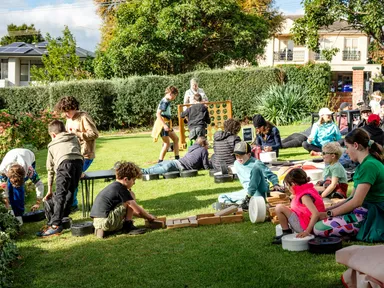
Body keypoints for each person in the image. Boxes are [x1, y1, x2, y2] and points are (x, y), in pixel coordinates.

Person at [314, 128, 384, 242]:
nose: (346, 151)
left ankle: (354, 231)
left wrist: (329, 214)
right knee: (320, 223)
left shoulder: (369, 166)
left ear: (355, 145)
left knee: (319, 228)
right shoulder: (366, 163)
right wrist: (328, 209)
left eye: (347, 147)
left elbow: (356, 202)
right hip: (367, 210)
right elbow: (351, 198)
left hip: (375, 215)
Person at [38, 120, 83, 237]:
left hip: (64, 164)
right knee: (70, 191)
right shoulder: (74, 138)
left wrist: (49, 190)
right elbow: (78, 151)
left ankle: (55, 225)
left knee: (60, 194)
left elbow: (50, 170)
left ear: (53, 135)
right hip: (79, 163)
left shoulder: (52, 145)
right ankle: (64, 218)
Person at [55, 96, 99, 211]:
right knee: (71, 179)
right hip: (73, 155)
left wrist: (78, 133)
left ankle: (72, 205)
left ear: (74, 107)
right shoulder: (69, 119)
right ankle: (71, 204)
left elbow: (94, 134)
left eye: (67, 111)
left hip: (85, 155)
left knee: (73, 180)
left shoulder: (84, 117)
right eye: (63, 112)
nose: (65, 114)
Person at [90, 161, 156, 238]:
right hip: (107, 222)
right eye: (133, 180)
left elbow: (132, 211)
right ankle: (128, 226)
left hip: (98, 223)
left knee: (129, 200)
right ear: (125, 179)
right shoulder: (121, 189)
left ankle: (113, 228)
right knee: (131, 196)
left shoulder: (113, 187)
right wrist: (150, 217)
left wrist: (145, 215)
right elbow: (137, 210)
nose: (134, 183)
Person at [217, 141, 283, 210]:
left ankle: (248, 200)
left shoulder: (257, 163)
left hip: (260, 190)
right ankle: (234, 206)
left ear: (248, 155)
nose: (238, 158)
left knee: (256, 169)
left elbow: (271, 175)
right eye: (236, 155)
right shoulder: (236, 163)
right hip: (247, 191)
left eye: (241, 155)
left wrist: (276, 184)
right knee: (222, 196)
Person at [272, 168, 326, 244]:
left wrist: (307, 231)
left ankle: (286, 232)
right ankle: (287, 232)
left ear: (293, 184)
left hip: (305, 226)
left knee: (279, 207)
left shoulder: (305, 196)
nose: (288, 188)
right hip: (305, 222)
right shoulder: (308, 190)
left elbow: (315, 214)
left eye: (288, 185)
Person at [0, 148, 44, 216]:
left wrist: (38, 203)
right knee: (10, 187)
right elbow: (2, 185)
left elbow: (39, 183)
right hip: (11, 155)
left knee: (18, 189)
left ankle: (19, 213)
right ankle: (13, 209)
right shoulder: (3, 170)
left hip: (28, 155)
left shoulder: (29, 170)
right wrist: (6, 200)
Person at [142, 137, 210, 175]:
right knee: (147, 172)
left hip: (175, 162)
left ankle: (137, 170)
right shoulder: (203, 150)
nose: (208, 146)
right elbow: (206, 166)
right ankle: (136, 172)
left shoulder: (192, 148)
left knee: (148, 169)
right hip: (178, 166)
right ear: (203, 144)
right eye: (207, 144)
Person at [151, 86, 180, 163]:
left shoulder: (167, 101)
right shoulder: (165, 101)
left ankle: (177, 159)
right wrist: (164, 125)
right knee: (166, 144)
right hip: (163, 123)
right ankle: (160, 162)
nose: (175, 98)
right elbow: (158, 114)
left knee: (176, 139)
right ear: (171, 94)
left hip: (167, 123)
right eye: (175, 95)